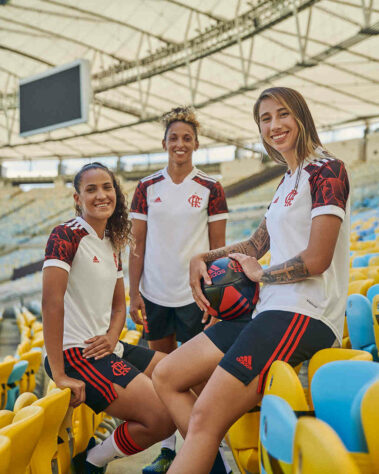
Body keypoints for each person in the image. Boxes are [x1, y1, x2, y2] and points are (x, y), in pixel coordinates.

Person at [152, 87, 351, 474]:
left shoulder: (328, 169)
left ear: (301, 117)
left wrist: (263, 274)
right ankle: (211, 461)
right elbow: (256, 243)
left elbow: (318, 259)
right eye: (265, 119)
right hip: (268, 312)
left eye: (282, 114)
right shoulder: (286, 182)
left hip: (304, 315)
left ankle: (200, 449)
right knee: (167, 375)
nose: (274, 125)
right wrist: (203, 257)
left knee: (205, 419)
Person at [42, 162, 176, 474]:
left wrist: (113, 337)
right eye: (91, 189)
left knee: (179, 374)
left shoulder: (111, 242)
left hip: (106, 347)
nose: (101, 194)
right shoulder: (66, 235)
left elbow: (119, 307)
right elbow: (51, 303)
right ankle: (92, 461)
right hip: (76, 354)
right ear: (78, 198)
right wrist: (60, 374)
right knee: (160, 418)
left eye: (107, 187)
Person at [129, 106, 230, 473]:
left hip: (196, 296)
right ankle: (169, 452)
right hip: (154, 295)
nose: (180, 144)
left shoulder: (210, 187)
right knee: (161, 374)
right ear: (164, 143)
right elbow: (136, 243)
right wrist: (133, 292)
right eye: (174, 137)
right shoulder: (146, 187)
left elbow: (219, 249)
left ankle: (207, 450)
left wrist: (216, 297)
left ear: (196, 143)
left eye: (187, 138)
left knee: (199, 379)